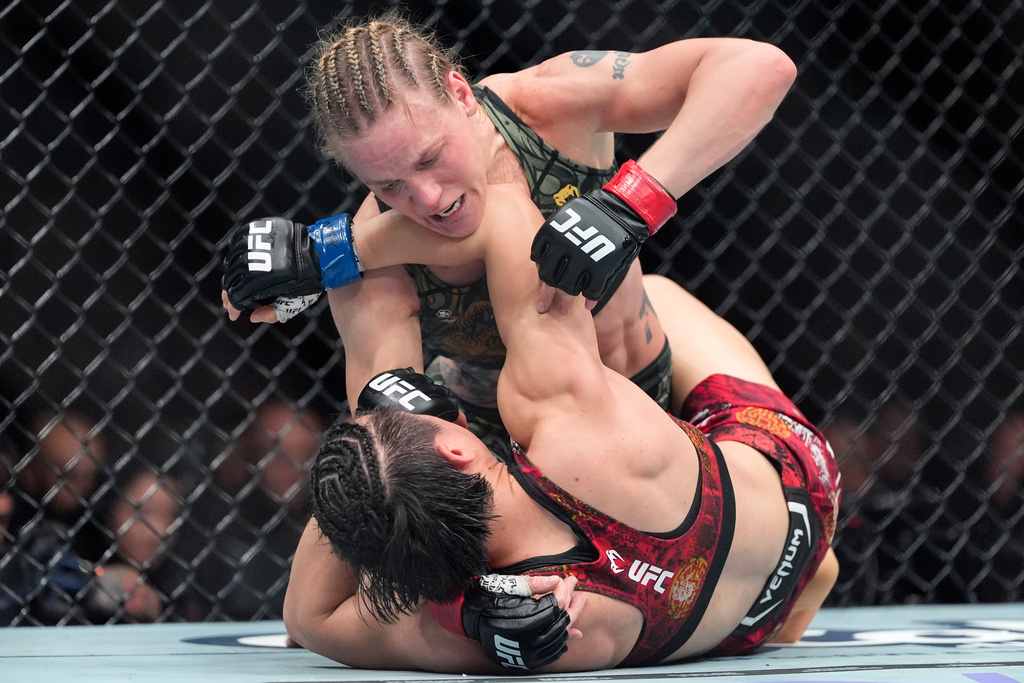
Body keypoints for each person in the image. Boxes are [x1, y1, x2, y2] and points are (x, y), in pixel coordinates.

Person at [282, 183, 841, 673]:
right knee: (658, 297)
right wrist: (328, 251)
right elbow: (501, 212)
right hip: (801, 493)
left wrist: (442, 586)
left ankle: (800, 577)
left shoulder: (518, 629)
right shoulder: (567, 418)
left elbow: (309, 615)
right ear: (454, 447)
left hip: (746, 622)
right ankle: (812, 556)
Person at [222, 10, 797, 458]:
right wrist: (406, 409)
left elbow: (758, 68)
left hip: (653, 396)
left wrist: (630, 203)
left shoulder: (551, 107)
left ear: (463, 95)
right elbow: (385, 407)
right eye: (389, 184)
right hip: (509, 453)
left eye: (430, 158)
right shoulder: (366, 252)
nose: (426, 199)